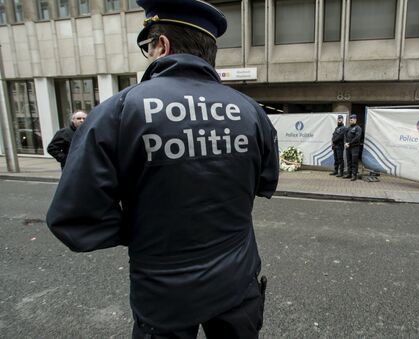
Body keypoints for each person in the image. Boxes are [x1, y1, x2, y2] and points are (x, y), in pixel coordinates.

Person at [46, 0, 279, 338]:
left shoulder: (118, 111)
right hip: (237, 281)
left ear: (163, 45)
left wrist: (140, 228)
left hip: (163, 294)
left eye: (148, 46)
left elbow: (75, 218)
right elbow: (266, 180)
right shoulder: (249, 110)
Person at [344, 114, 362, 181]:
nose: (351, 120)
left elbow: (357, 137)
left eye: (353, 119)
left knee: (354, 162)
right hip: (348, 147)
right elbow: (345, 136)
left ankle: (354, 175)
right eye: (350, 119)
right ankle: (349, 174)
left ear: (355, 120)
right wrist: (345, 142)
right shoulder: (348, 128)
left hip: (355, 147)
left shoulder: (358, 128)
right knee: (349, 161)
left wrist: (349, 143)